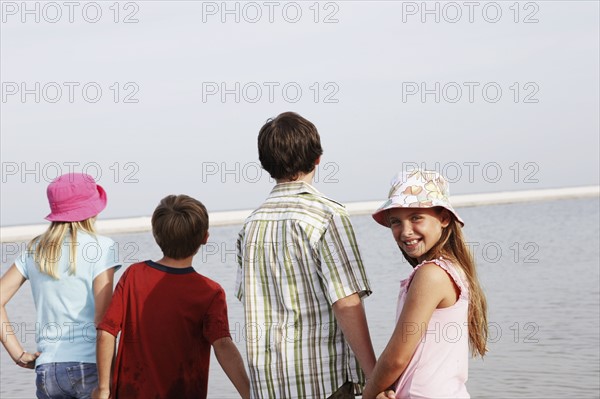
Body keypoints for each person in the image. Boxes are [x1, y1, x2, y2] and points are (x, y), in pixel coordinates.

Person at [236, 111, 376, 398]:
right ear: (318, 158)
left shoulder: (250, 226)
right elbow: (346, 300)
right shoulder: (328, 215)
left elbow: (249, 298)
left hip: (269, 385)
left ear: (266, 164)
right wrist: (376, 376)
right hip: (324, 381)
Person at [94, 194, 249, 399]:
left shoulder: (133, 275)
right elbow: (222, 345)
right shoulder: (210, 292)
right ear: (205, 238)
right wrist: (249, 393)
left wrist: (104, 388)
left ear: (156, 234)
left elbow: (106, 332)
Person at [362, 169, 488, 399]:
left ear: (444, 218)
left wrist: (369, 393)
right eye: (396, 222)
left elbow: (397, 357)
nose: (406, 231)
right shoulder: (452, 270)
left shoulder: (431, 275)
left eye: (416, 217)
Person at [0, 172, 121, 399]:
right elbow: (103, 321)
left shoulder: (35, 249)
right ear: (92, 210)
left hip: (46, 370)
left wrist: (17, 354)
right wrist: (109, 381)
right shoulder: (103, 247)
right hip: (89, 366)